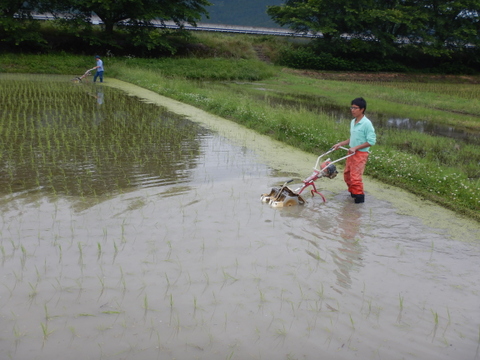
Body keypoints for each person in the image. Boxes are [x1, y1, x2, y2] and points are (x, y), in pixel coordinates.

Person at [332, 97, 376, 204]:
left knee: (355, 178)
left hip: (360, 154)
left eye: (355, 108)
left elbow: (371, 141)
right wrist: (340, 144)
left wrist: (356, 148)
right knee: (347, 175)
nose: (352, 110)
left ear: (362, 109)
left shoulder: (367, 124)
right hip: (351, 153)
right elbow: (353, 138)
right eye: (351, 107)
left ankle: (359, 200)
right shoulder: (353, 122)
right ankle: (353, 195)